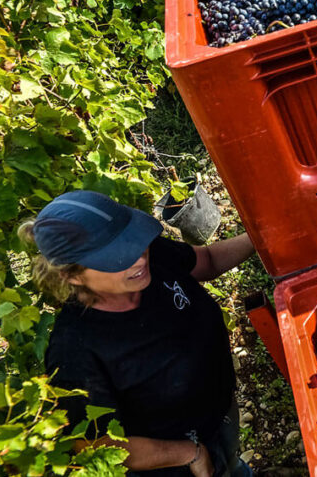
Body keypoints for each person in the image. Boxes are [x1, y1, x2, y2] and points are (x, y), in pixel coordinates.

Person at [22, 191, 257, 476]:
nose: (137, 258)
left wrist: (263, 236)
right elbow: (95, 442)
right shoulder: (74, 351)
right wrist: (190, 454)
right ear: (71, 275)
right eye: (114, 257)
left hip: (219, 415)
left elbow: (207, 260)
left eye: (132, 240)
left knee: (232, 466)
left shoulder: (150, 256)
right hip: (174, 465)